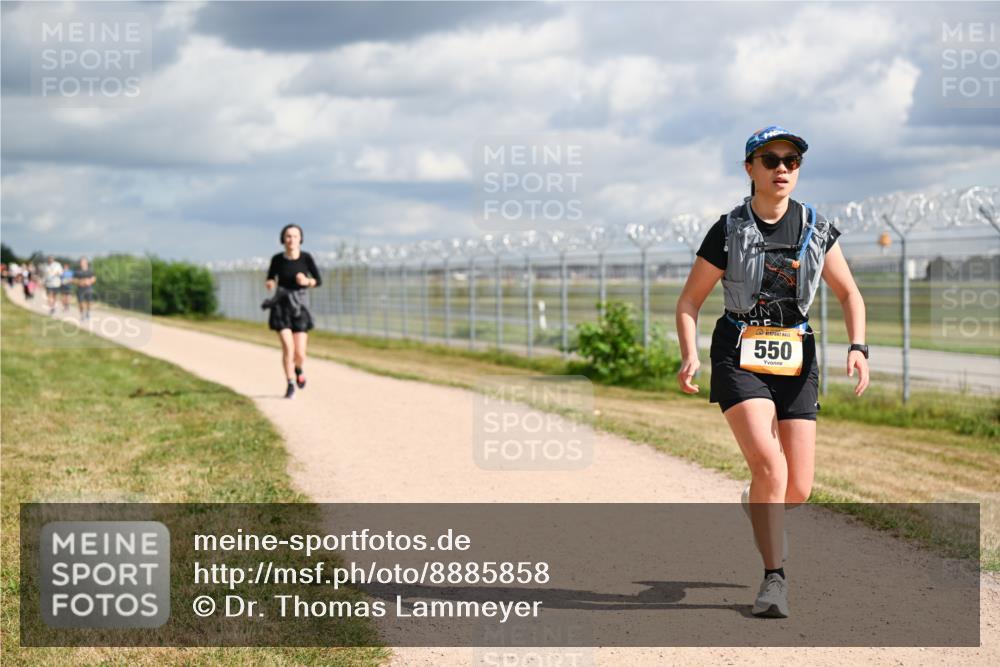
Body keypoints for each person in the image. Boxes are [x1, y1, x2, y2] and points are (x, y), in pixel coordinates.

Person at [674, 126, 870, 619]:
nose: (782, 168)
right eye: (771, 159)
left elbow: (849, 293)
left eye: (792, 160)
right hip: (739, 353)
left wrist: (858, 346)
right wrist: (689, 352)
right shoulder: (729, 228)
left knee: (797, 489)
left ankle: (759, 499)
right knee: (771, 466)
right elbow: (689, 302)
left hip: (796, 357)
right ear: (750, 168)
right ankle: (774, 580)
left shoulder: (816, 227)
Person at [264, 224, 322, 399]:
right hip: (281, 305)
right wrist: (270, 283)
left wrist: (307, 281)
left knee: (300, 353)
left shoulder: (306, 258)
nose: (291, 240)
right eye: (288, 236)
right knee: (288, 348)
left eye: (295, 236)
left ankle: (298, 369)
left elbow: (318, 280)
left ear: (300, 239)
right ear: (283, 239)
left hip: (300, 305)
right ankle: (290, 383)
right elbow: (270, 277)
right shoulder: (277, 259)